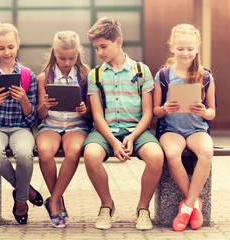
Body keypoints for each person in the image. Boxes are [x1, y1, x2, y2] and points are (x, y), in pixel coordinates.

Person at [83, 17, 164, 230]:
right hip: (105, 131)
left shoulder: (140, 71)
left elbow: (148, 113)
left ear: (118, 42)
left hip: (136, 129)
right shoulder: (96, 74)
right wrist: (114, 142)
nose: (99, 52)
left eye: (104, 46)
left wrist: (131, 137)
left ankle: (143, 209)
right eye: (96, 48)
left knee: (156, 156)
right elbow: (97, 116)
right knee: (91, 155)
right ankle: (106, 205)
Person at [0, 21, 43, 225]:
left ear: (18, 45)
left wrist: (23, 99)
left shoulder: (27, 76)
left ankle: (20, 200)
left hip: (20, 129)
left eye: (11, 47)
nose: (7, 52)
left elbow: (32, 119)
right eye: (1, 48)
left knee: (24, 154)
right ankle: (27, 192)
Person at [153, 23, 216, 232]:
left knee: (207, 152)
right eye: (180, 49)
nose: (185, 53)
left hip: (197, 129)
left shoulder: (205, 76)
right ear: (172, 47)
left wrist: (203, 111)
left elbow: (212, 112)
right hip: (171, 130)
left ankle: (187, 206)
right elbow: (155, 111)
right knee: (172, 154)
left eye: (190, 48)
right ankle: (195, 204)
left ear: (197, 48)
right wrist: (164, 108)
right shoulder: (163, 75)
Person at [36, 31, 91, 228]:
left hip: (76, 125)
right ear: (54, 53)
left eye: (71, 57)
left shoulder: (85, 75)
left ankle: (53, 200)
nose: (67, 62)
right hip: (51, 124)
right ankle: (57, 202)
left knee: (74, 150)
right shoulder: (44, 77)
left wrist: (85, 110)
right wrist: (44, 105)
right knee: (44, 151)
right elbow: (40, 114)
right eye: (62, 58)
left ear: (78, 54)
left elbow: (92, 112)